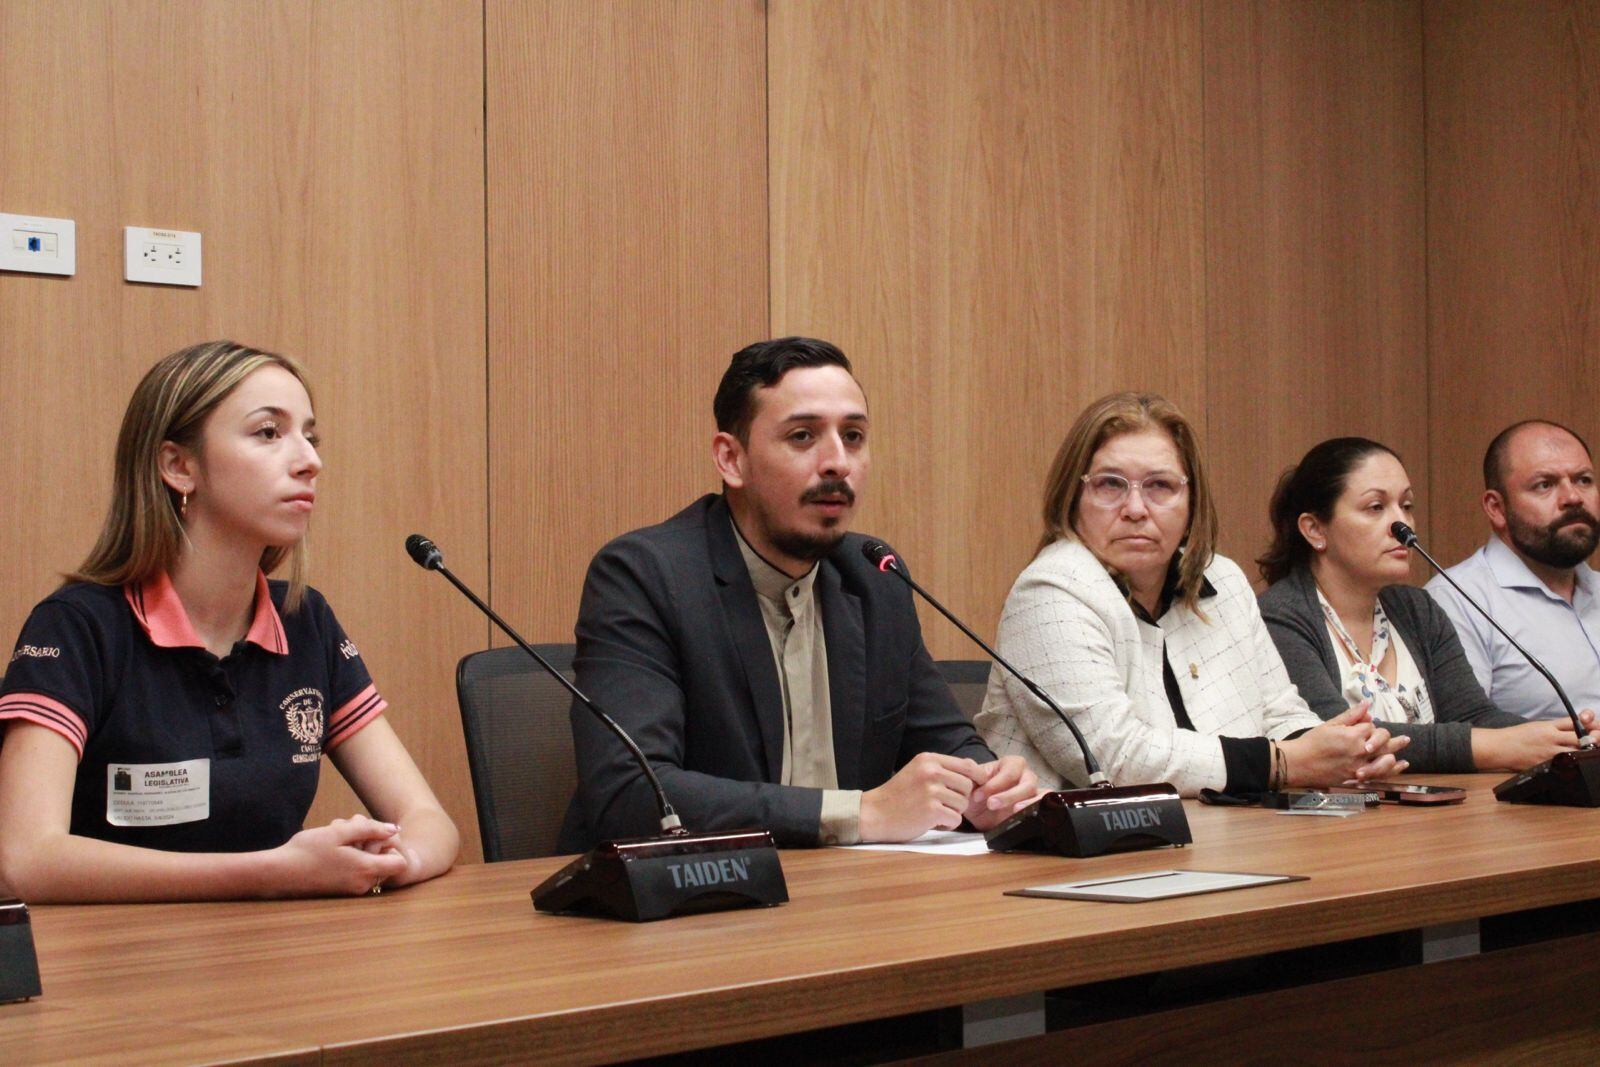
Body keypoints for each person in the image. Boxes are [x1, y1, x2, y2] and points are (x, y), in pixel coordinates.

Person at [0, 341, 458, 902]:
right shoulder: (77, 628)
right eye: (269, 433)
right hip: (114, 967)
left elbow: (428, 820)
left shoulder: (305, 619)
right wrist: (271, 873)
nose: (310, 460)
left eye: (309, 437)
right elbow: (24, 859)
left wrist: (390, 862)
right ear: (179, 466)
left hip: (269, 959)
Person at [559, 337, 1035, 849]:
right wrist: (861, 811)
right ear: (731, 459)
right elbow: (631, 793)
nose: (837, 463)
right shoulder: (647, 576)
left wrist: (988, 786)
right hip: (696, 903)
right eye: (803, 436)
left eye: (853, 436)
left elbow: (944, 742)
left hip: (850, 897)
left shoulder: (873, 576)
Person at [975, 392, 1407, 797]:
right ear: (1073, 497)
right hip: (1078, 860)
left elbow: (1279, 712)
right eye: (1110, 484)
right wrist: (1281, 763)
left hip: (1226, 838)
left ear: (1191, 502)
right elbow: (1114, 758)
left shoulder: (1223, 580)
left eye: (1160, 486)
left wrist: (1344, 754)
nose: (1136, 508)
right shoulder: (1050, 591)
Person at [1257, 437, 1592, 772]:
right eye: (1376, 508)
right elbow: (1337, 738)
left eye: (1406, 506)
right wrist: (1493, 747)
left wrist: (1562, 737)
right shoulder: (1281, 616)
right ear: (1315, 529)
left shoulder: (1417, 608)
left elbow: (1473, 716)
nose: (1402, 526)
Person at [1425, 420, 1600, 724]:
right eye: (1544, 485)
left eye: (1583, 480)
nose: (1573, 497)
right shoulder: (1458, 600)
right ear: (1496, 508)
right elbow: (1467, 732)